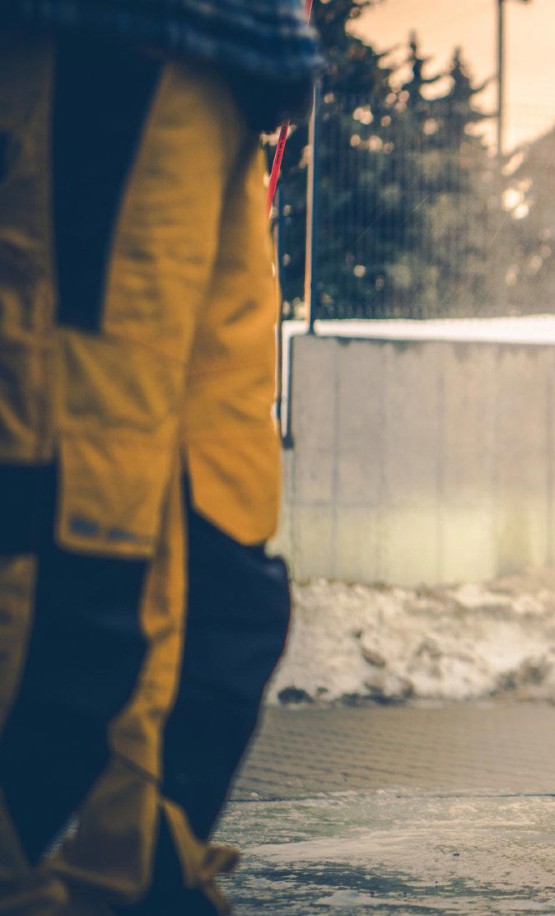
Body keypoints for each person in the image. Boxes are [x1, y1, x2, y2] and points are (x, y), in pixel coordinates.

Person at [0, 2, 321, 911]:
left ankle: (131, 867)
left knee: (219, 541)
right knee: (81, 533)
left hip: (222, 79)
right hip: (100, 50)